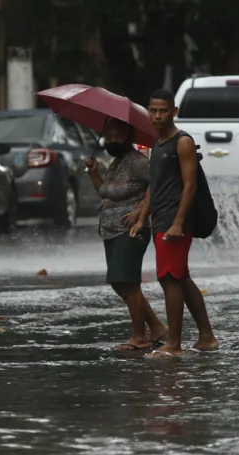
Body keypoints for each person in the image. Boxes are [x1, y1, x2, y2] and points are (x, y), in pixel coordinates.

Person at [130, 88, 220, 358]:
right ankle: (206, 337)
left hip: (174, 221)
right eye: (153, 110)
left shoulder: (182, 142)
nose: (156, 116)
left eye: (162, 111)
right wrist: (141, 217)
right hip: (161, 219)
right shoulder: (157, 144)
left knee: (169, 278)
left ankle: (174, 344)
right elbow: (154, 187)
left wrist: (179, 222)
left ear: (173, 112)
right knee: (180, 278)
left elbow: (190, 185)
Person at [83, 118, 169, 351]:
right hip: (110, 230)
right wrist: (93, 172)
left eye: (118, 137)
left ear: (129, 138)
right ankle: (156, 326)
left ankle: (139, 337)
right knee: (119, 283)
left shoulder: (137, 162)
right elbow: (105, 192)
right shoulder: (117, 162)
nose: (112, 141)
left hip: (130, 229)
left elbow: (157, 182)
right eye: (109, 136)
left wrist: (141, 210)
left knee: (128, 283)